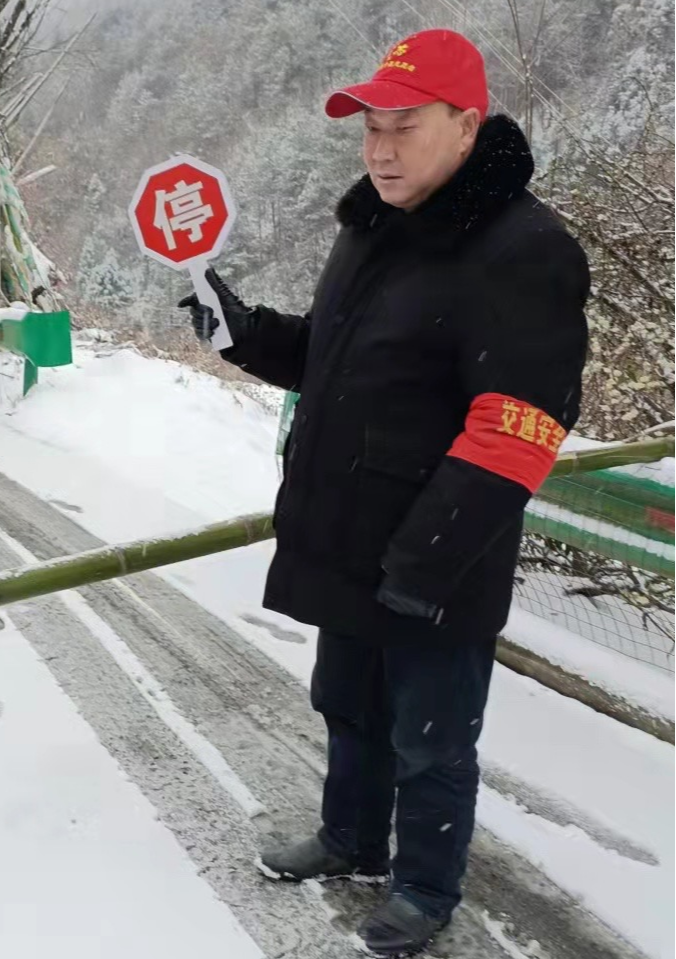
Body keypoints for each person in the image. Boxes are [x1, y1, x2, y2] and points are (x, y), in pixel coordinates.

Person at [179, 28, 588, 958]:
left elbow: (519, 423)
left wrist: (423, 563)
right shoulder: (372, 229)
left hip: (435, 555)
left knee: (429, 736)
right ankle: (351, 838)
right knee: (346, 702)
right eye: (370, 127)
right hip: (346, 532)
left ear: (466, 125)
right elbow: (334, 356)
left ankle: (424, 886)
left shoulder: (523, 249)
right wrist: (243, 333)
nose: (380, 148)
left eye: (404, 126)